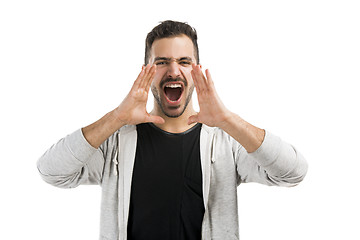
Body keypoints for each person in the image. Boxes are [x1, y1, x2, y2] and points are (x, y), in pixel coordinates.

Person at [37, 20, 308, 240]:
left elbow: (293, 172)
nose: (174, 70)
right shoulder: (117, 144)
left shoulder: (226, 143)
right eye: (162, 61)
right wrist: (117, 118)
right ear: (147, 70)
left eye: (184, 61)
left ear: (196, 70)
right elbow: (52, 171)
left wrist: (226, 119)